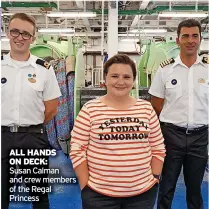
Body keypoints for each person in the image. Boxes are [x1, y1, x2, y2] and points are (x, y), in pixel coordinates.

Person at [70, 54, 166, 209]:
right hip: (98, 196)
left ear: (133, 80)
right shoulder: (90, 110)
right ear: (105, 78)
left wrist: (155, 178)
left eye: (127, 77)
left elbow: (158, 148)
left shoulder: (146, 109)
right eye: (115, 76)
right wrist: (85, 186)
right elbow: (77, 150)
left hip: (142, 195)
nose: (121, 82)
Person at [1, 13, 61, 209]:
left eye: (26, 34)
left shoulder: (44, 69)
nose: (20, 37)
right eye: (15, 32)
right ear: (7, 33)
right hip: (2, 138)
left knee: (39, 194)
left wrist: (31, 126)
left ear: (33, 38)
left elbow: (52, 108)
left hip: (33, 137)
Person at [149, 19, 209, 209]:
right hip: (170, 136)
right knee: (166, 188)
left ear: (200, 39)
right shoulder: (165, 69)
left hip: (200, 137)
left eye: (194, 36)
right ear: (177, 40)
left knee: (195, 190)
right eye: (185, 36)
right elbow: (156, 104)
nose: (190, 40)